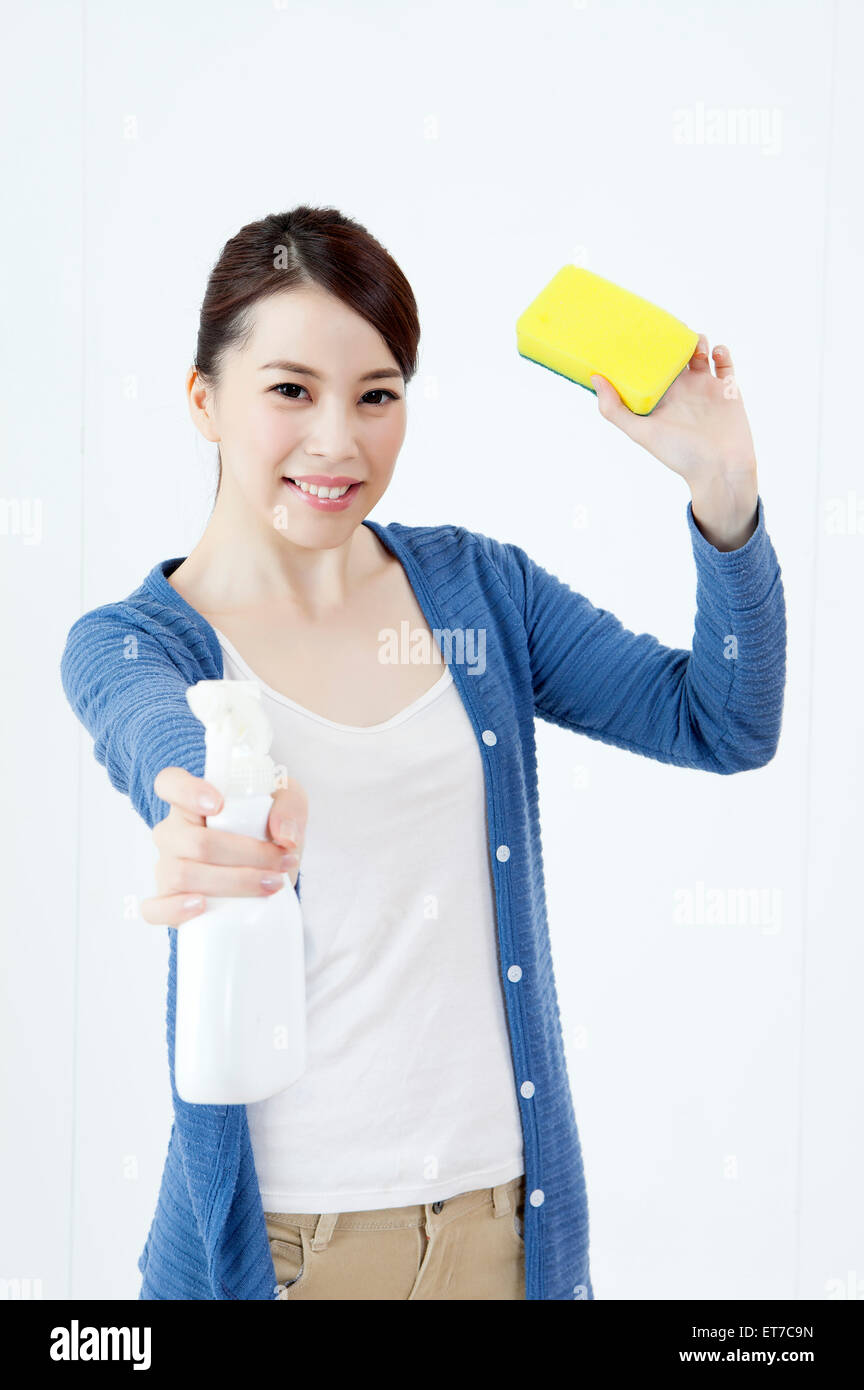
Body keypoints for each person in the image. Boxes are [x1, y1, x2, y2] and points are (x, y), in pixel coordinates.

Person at [60, 205, 787, 1300]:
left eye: (378, 395)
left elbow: (722, 721)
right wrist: (193, 807)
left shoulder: (478, 596)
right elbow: (153, 734)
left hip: (505, 1242)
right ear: (205, 398)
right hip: (284, 1255)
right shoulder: (139, 643)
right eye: (291, 390)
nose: (338, 442)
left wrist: (723, 490)